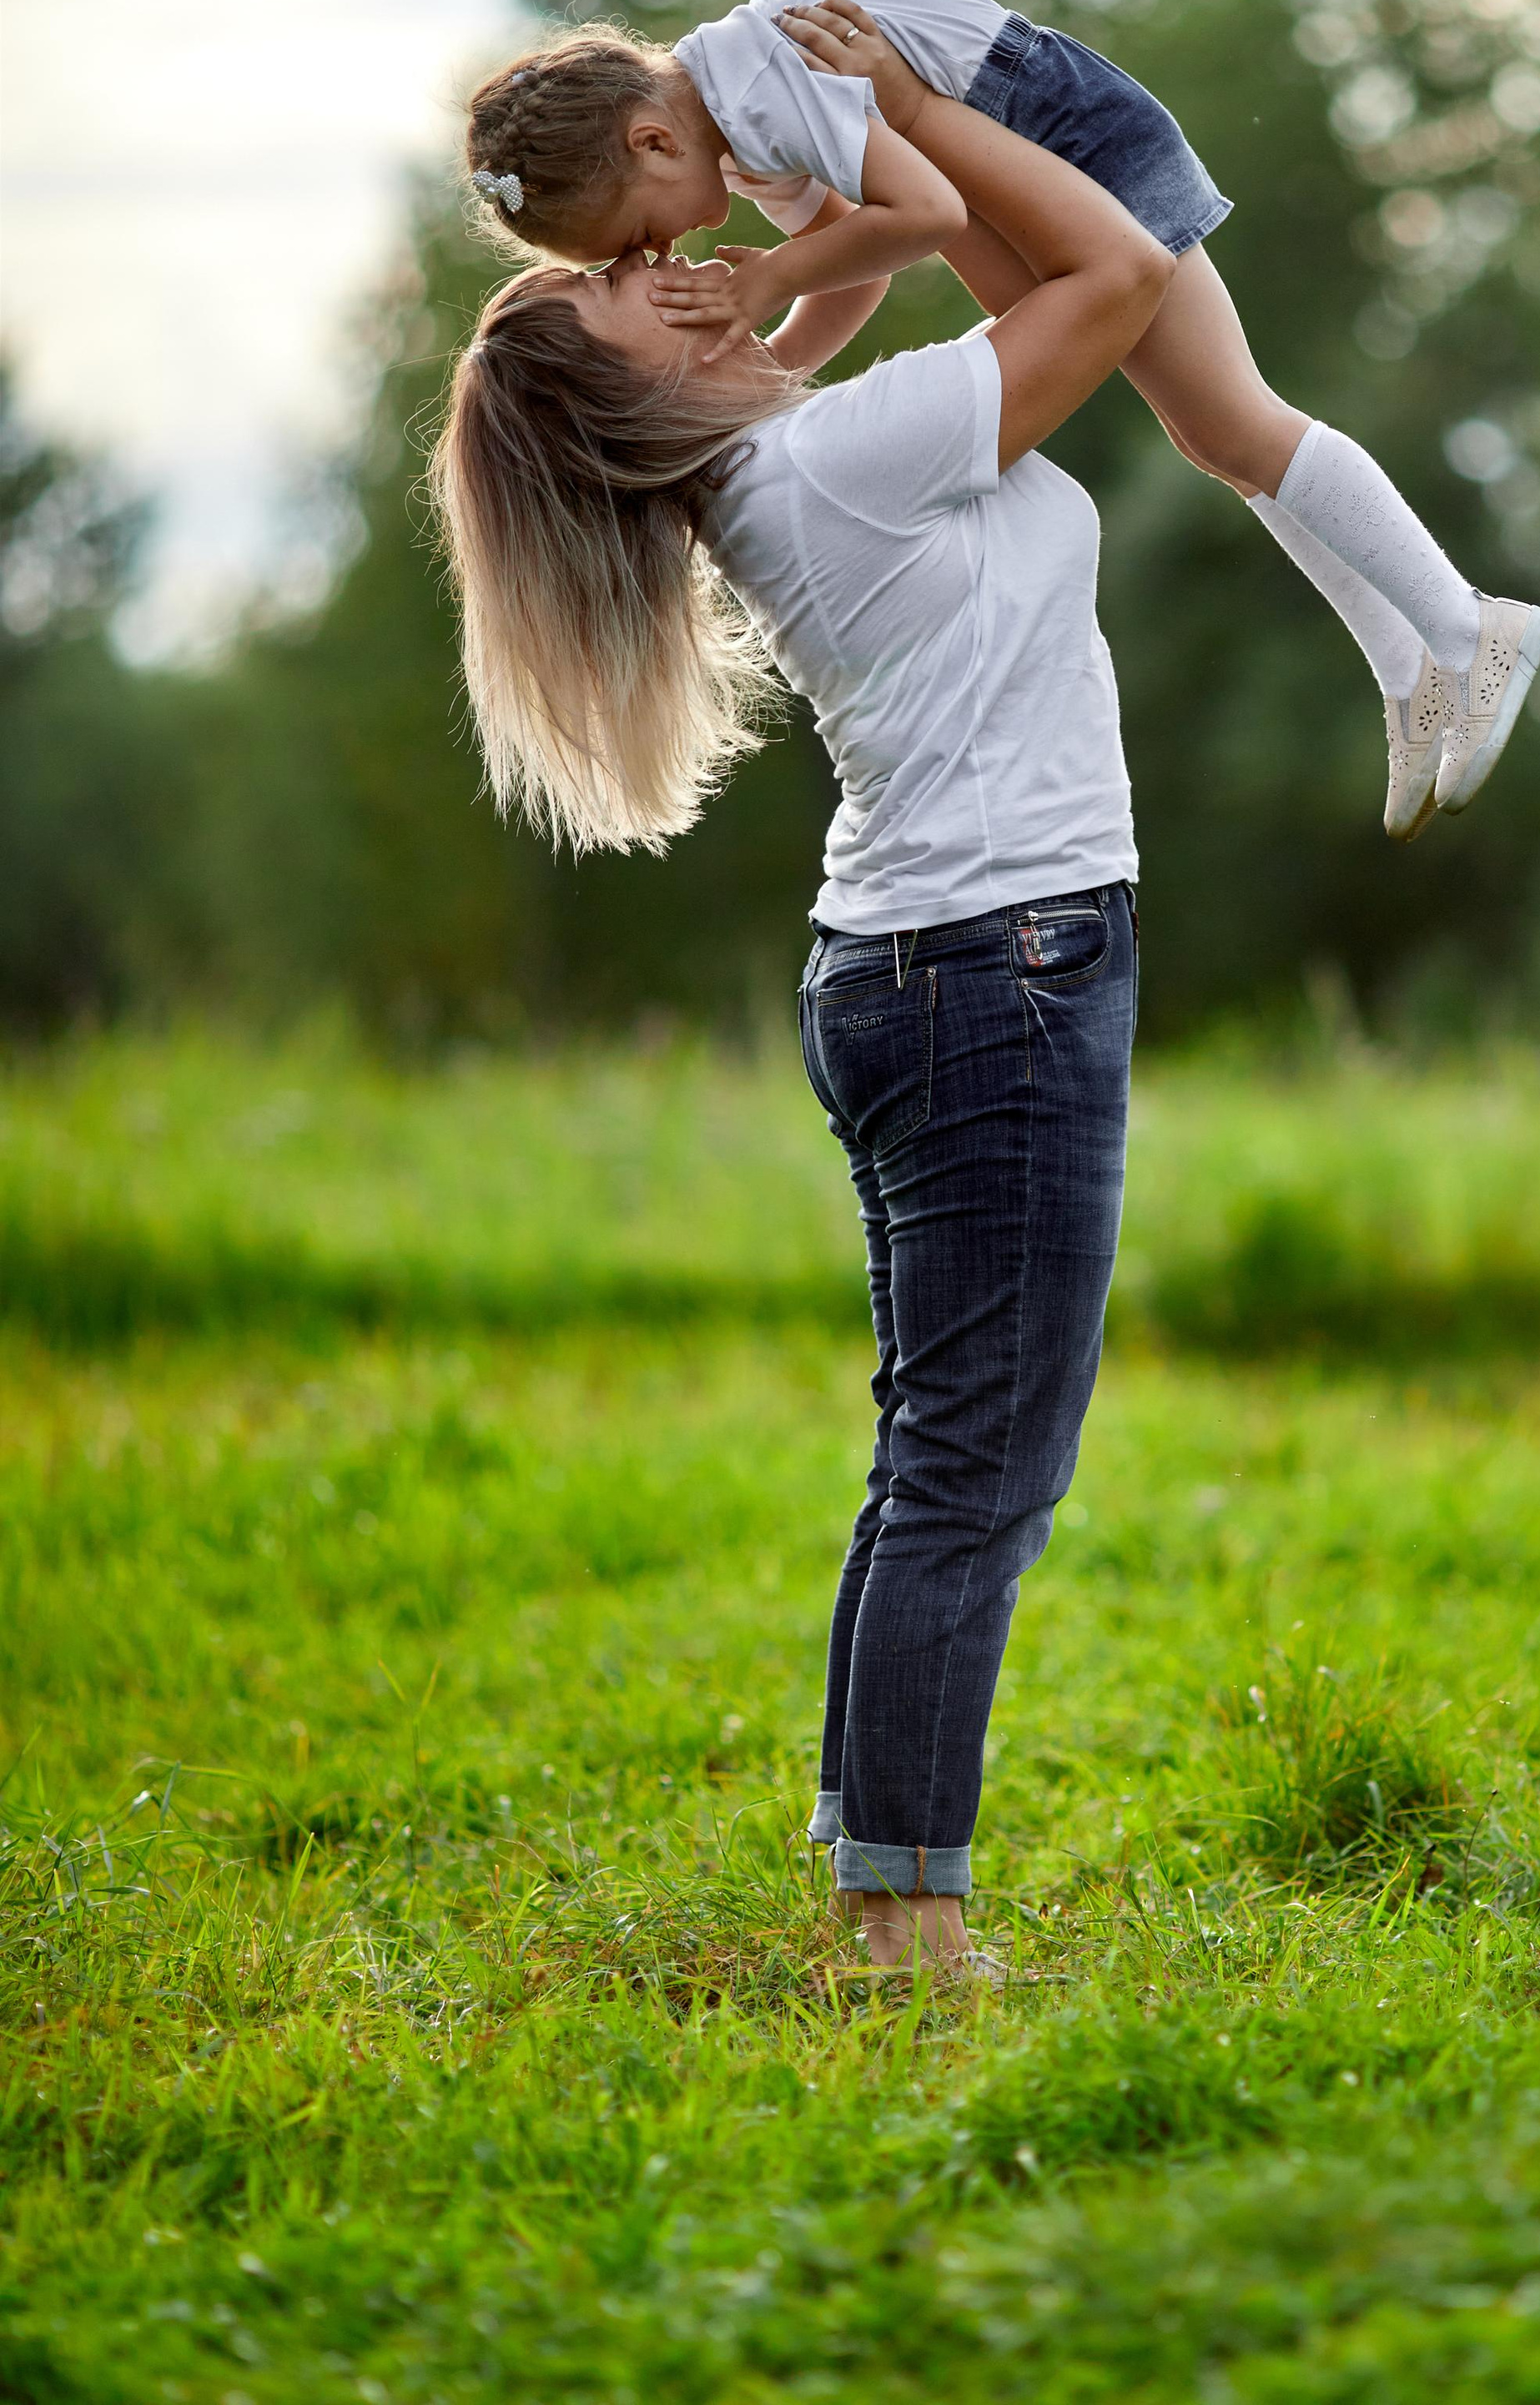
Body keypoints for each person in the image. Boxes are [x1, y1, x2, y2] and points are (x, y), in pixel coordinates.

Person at [431, 101, 1180, 1975]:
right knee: (978, 1469)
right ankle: (904, 1919)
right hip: (991, 965)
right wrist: (917, 110)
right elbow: (1115, 273)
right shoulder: (833, 461)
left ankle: (878, 1864)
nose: (655, 262)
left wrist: (820, 190)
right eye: (623, 286)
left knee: (941, 1451)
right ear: (634, 391)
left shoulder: (795, 452)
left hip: (932, 962)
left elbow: (957, 268)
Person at [462, 0, 1540, 837]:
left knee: (1230, 417)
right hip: (992, 156)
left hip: (1052, 128)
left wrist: (766, 286)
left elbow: (926, 216)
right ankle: (1408, 667)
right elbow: (862, 265)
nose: (664, 255)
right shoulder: (738, 140)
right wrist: (765, 371)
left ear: (653, 142)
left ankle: (1471, 632)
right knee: (1210, 436)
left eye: (636, 239)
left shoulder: (762, 83)